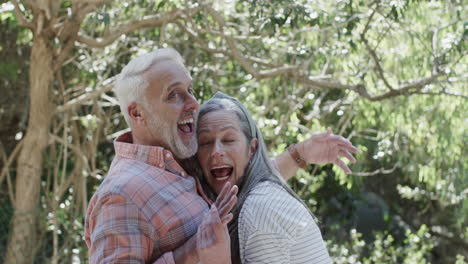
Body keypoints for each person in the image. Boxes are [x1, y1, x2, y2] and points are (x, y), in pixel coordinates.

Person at [85, 48, 358, 263]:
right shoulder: (121, 196)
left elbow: (237, 183)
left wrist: (300, 154)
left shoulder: (179, 160)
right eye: (174, 95)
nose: (193, 103)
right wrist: (190, 253)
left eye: (190, 91)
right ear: (137, 113)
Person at [195, 92, 335, 263]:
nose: (216, 151)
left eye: (229, 139)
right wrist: (301, 153)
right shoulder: (255, 195)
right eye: (205, 143)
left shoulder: (260, 208)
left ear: (252, 149)